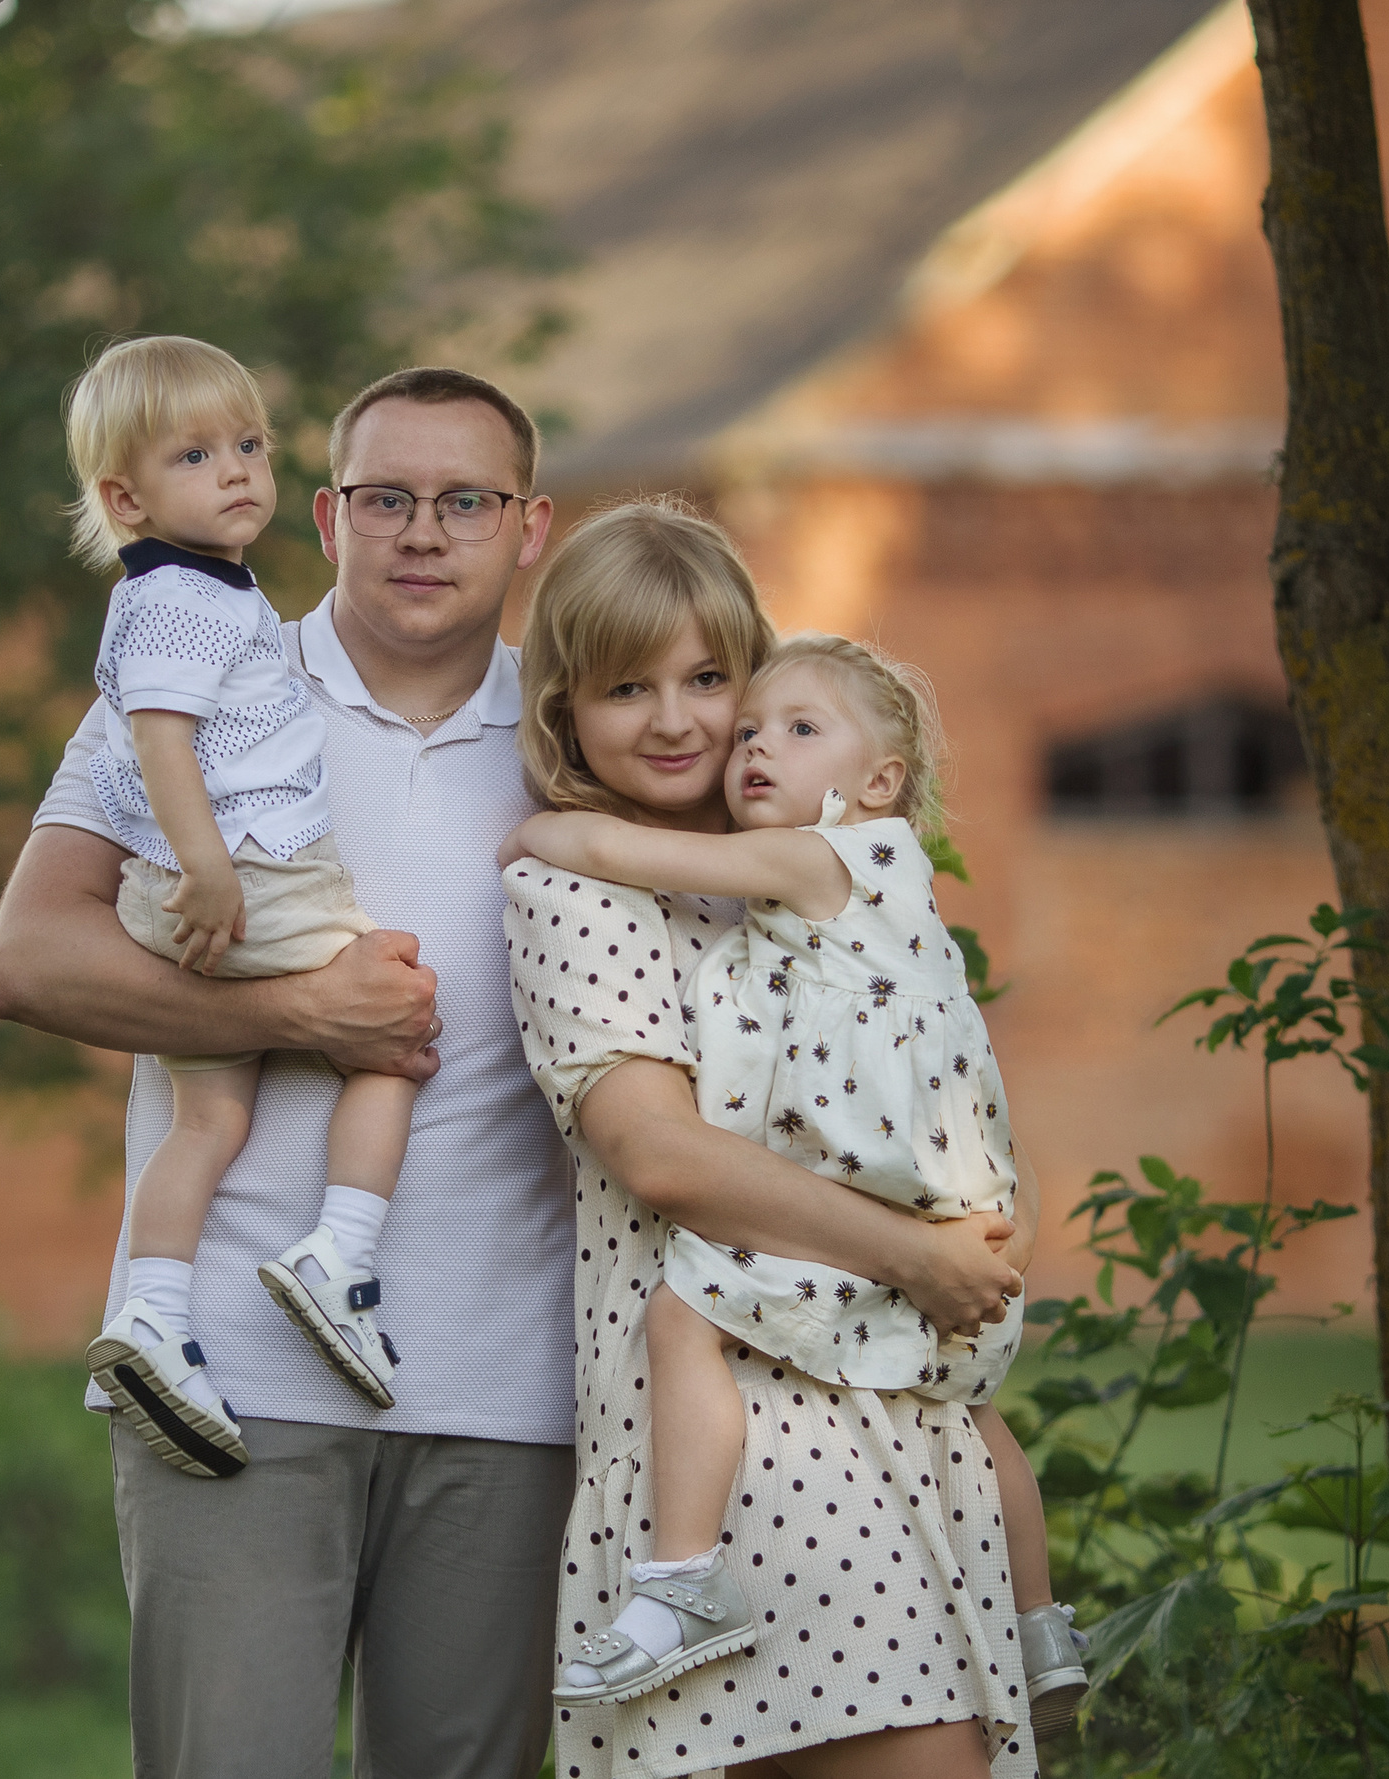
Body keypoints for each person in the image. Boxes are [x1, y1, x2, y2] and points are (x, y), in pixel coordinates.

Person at [0, 374, 1024, 1779]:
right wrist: (304, 1008)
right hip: (236, 1367)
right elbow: (29, 957)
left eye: (465, 500)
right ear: (325, 513)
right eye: (385, 498)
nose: (424, 532)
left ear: (529, 526)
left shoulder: (594, 736)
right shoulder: (196, 690)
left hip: (517, 1398)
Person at [499, 499, 1043, 1779]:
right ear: (564, 708)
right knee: (918, 1756)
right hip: (737, 1401)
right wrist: (921, 1255)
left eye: (708, 680)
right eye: (628, 688)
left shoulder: (807, 866)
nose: (680, 721)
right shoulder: (578, 889)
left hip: (882, 1376)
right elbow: (665, 1158)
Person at [64, 336, 419, 1476]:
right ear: (125, 498)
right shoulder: (181, 601)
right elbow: (164, 742)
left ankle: (153, 1316)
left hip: (182, 890)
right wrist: (207, 867)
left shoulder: (186, 589)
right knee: (392, 1022)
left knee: (207, 1121)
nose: (239, 472)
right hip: (248, 877)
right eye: (198, 454)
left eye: (253, 445)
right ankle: (340, 1253)